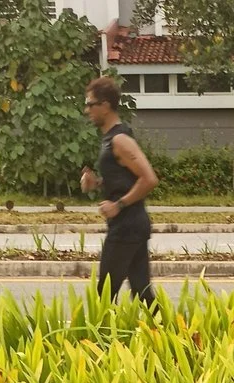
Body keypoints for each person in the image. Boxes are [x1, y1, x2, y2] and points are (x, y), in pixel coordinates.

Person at [81, 76, 159, 306]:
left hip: (127, 226)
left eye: (90, 104)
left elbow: (149, 179)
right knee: (142, 294)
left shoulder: (120, 140)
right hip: (130, 225)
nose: (87, 110)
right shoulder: (110, 138)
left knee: (104, 295)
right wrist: (98, 183)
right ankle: (165, 329)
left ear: (105, 105)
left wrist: (119, 205)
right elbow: (125, 179)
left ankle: (103, 333)